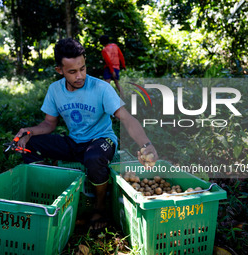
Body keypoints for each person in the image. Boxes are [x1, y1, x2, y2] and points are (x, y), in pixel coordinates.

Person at [15, 38, 158, 231]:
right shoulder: (55, 90)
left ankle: (100, 208)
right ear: (60, 70)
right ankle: (51, 191)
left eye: (82, 68)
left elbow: (126, 119)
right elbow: (49, 124)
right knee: (27, 144)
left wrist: (146, 144)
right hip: (74, 142)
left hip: (101, 141)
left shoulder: (101, 88)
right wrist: (28, 132)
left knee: (94, 156)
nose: (80, 75)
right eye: (72, 72)